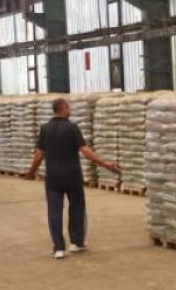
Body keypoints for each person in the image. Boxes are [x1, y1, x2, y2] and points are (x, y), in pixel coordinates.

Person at [24, 98, 120, 259]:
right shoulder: (72, 127)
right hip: (72, 176)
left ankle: (59, 248)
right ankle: (76, 243)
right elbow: (85, 151)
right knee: (76, 208)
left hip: (53, 178)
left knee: (54, 212)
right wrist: (105, 164)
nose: (71, 110)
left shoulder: (45, 129)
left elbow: (38, 154)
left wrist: (31, 172)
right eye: (69, 107)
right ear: (63, 108)